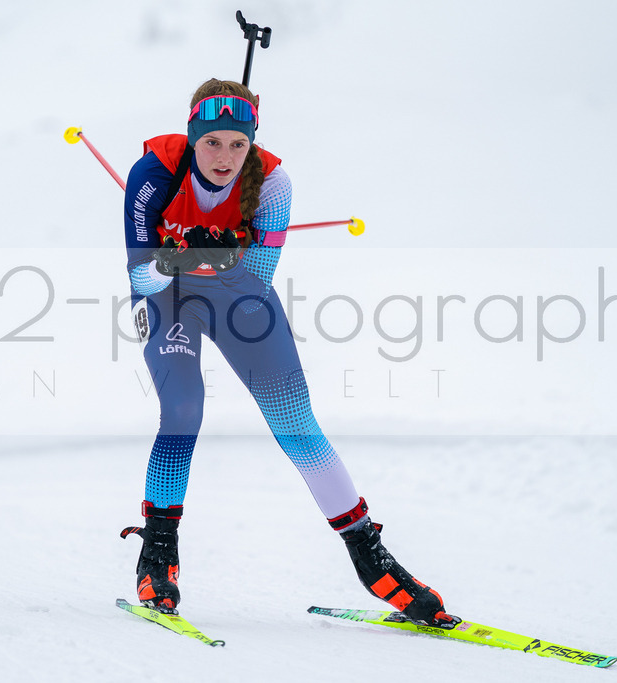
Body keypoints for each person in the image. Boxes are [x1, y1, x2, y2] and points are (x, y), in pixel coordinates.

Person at [120, 78, 457, 627]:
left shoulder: (273, 183)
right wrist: (181, 258)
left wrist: (222, 256)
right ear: (192, 137)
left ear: (252, 141)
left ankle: (371, 559)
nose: (225, 156)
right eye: (212, 143)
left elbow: (258, 276)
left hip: (236, 293)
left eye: (237, 143)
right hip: (167, 299)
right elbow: (140, 273)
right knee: (183, 409)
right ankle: (158, 552)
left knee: (296, 421)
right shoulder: (153, 173)